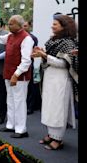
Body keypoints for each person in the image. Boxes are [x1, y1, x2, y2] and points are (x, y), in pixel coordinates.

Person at [31, 14, 78, 150]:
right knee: (49, 107)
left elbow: (64, 63)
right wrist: (41, 53)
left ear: (64, 27)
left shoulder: (68, 42)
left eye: (55, 24)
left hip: (61, 80)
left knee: (58, 109)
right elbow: (51, 58)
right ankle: (51, 135)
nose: (52, 26)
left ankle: (58, 139)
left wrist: (44, 55)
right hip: (50, 77)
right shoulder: (53, 40)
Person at [23, 21, 41, 115]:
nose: (23, 27)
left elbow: (33, 52)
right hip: (20, 65)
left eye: (25, 26)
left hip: (29, 65)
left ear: (30, 26)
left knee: (31, 87)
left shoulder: (33, 38)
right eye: (22, 26)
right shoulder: (20, 37)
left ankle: (30, 107)